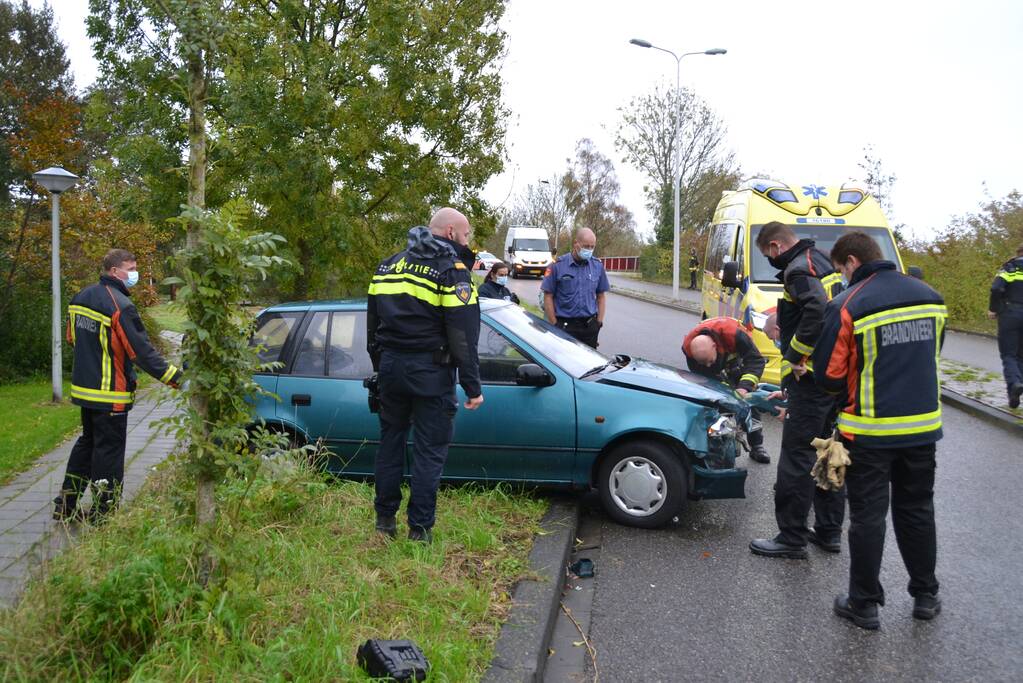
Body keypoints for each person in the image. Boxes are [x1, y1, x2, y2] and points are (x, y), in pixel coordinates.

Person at [813, 231, 947, 630]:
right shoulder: (931, 296)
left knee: (869, 516)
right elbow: (931, 354)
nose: (840, 278)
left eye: (840, 271)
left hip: (870, 431)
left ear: (852, 261)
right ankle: (926, 595)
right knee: (918, 509)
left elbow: (830, 375)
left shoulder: (849, 304)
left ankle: (864, 604)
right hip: (923, 428)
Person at [366, 207, 484, 543]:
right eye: (465, 236)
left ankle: (384, 522)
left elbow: (372, 325)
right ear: (450, 232)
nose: (466, 242)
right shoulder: (451, 270)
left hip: (391, 368)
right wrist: (472, 386)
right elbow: (463, 336)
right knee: (429, 452)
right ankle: (419, 530)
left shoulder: (388, 264)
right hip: (431, 372)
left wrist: (381, 366)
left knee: (390, 443)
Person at [54, 249, 183, 522]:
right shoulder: (121, 305)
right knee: (108, 453)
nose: (135, 273)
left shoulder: (80, 298)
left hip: (84, 391)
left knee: (87, 445)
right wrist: (178, 379)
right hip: (110, 393)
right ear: (115, 271)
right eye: (131, 268)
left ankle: (66, 503)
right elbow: (142, 353)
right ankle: (104, 512)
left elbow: (71, 338)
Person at [749, 221, 846, 560]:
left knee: (796, 456)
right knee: (828, 449)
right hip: (834, 375)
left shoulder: (797, 269)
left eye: (767, 255)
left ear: (776, 246)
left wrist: (795, 356)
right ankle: (830, 530)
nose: (771, 261)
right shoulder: (821, 260)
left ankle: (791, 537)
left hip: (813, 379)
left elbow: (816, 309)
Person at [682, 317, 770, 464]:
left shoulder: (735, 335)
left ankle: (757, 445)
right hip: (714, 367)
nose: (708, 365)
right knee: (712, 403)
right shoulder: (690, 350)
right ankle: (712, 445)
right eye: (704, 362)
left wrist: (744, 387)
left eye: (709, 361)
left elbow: (755, 360)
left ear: (714, 346)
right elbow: (700, 376)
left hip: (736, 362)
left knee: (748, 402)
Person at [541, 228, 609, 348]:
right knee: (562, 363)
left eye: (592, 247)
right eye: (586, 246)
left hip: (589, 327)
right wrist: (554, 324)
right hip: (564, 327)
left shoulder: (597, 266)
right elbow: (548, 296)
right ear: (575, 244)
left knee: (589, 364)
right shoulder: (557, 266)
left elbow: (601, 296)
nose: (589, 250)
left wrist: (598, 322)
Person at [988, 244, 1023, 408]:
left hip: (1010, 313)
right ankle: (1014, 395)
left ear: (1018, 252)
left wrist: (994, 309)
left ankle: (1015, 384)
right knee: (1021, 356)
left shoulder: (1010, 267)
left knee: (1009, 355)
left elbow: (996, 288)